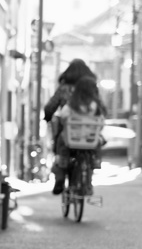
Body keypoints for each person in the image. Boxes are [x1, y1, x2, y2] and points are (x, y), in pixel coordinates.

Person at [43, 59, 97, 194]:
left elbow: (51, 106)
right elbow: (100, 108)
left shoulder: (64, 88)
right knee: (94, 147)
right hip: (89, 132)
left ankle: (60, 176)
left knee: (60, 146)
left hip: (69, 130)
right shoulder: (91, 88)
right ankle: (89, 174)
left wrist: (48, 117)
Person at [51, 75, 106, 194]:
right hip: (90, 139)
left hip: (73, 138)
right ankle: (93, 166)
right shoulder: (95, 105)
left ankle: (60, 173)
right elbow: (101, 121)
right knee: (98, 143)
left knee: (61, 142)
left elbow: (63, 116)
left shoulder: (72, 103)